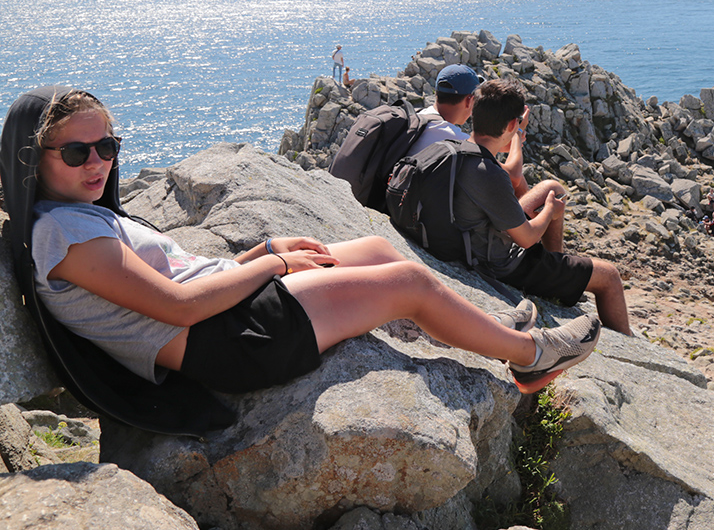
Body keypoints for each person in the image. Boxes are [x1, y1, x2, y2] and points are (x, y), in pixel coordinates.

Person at [0, 88, 601, 428]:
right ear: (31, 158)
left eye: (106, 146)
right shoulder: (62, 235)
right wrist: (274, 266)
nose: (97, 163)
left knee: (374, 249)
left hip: (228, 312)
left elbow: (180, 276)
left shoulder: (75, 218)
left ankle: (481, 327)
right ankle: (528, 357)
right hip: (231, 340)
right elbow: (178, 307)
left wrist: (263, 251)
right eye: (76, 152)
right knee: (408, 282)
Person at [433, 78, 632, 335]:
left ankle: (557, 272)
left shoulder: (458, 147)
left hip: (473, 236)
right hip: (501, 263)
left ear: (474, 112)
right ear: (512, 125)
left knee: (551, 188)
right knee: (609, 276)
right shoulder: (489, 174)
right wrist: (549, 211)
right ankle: (627, 340)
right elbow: (527, 238)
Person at [406, 64, 528, 196]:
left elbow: (481, 149)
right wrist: (517, 131)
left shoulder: (421, 118)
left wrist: (504, 143)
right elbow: (513, 177)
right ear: (470, 100)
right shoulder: (452, 139)